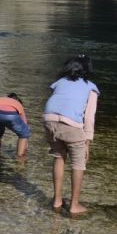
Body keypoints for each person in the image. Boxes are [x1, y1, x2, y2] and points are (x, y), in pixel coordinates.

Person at [44, 55, 99, 215]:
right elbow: (89, 116)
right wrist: (87, 142)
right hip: (71, 123)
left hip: (49, 120)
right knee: (78, 164)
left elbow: (58, 100)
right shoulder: (90, 87)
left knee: (59, 157)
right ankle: (74, 205)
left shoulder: (59, 82)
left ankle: (57, 200)